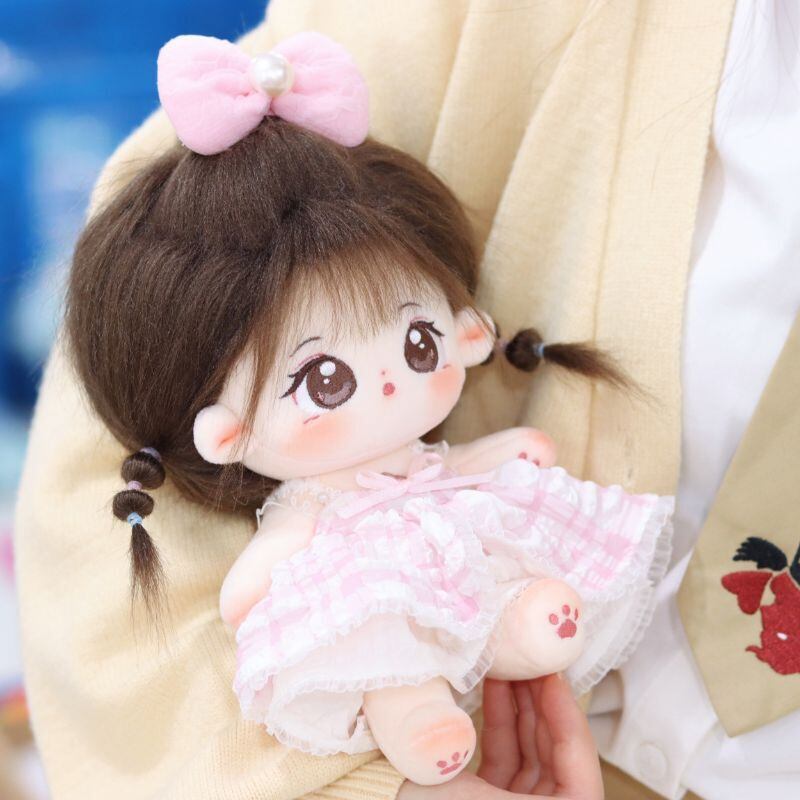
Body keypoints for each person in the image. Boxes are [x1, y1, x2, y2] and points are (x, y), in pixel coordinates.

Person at [15, 1, 798, 798]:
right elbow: (123, 473)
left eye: (419, 344)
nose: (391, 382)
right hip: (457, 712)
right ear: (228, 433)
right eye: (327, 379)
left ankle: (523, 628)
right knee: (381, 656)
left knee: (501, 598)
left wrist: (501, 455)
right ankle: (418, 719)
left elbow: (476, 465)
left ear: (466, 334)